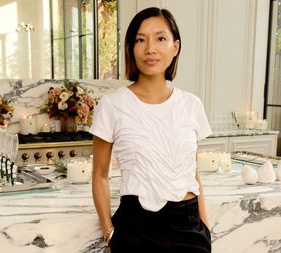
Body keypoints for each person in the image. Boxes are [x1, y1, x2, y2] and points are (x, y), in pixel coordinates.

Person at [90, 7, 212, 253]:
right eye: (140, 39)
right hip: (136, 229)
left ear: (175, 47)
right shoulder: (113, 104)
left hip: (189, 227)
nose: (150, 49)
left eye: (160, 38)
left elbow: (192, 172)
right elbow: (100, 175)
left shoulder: (191, 104)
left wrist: (205, 226)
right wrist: (108, 231)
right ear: (131, 47)